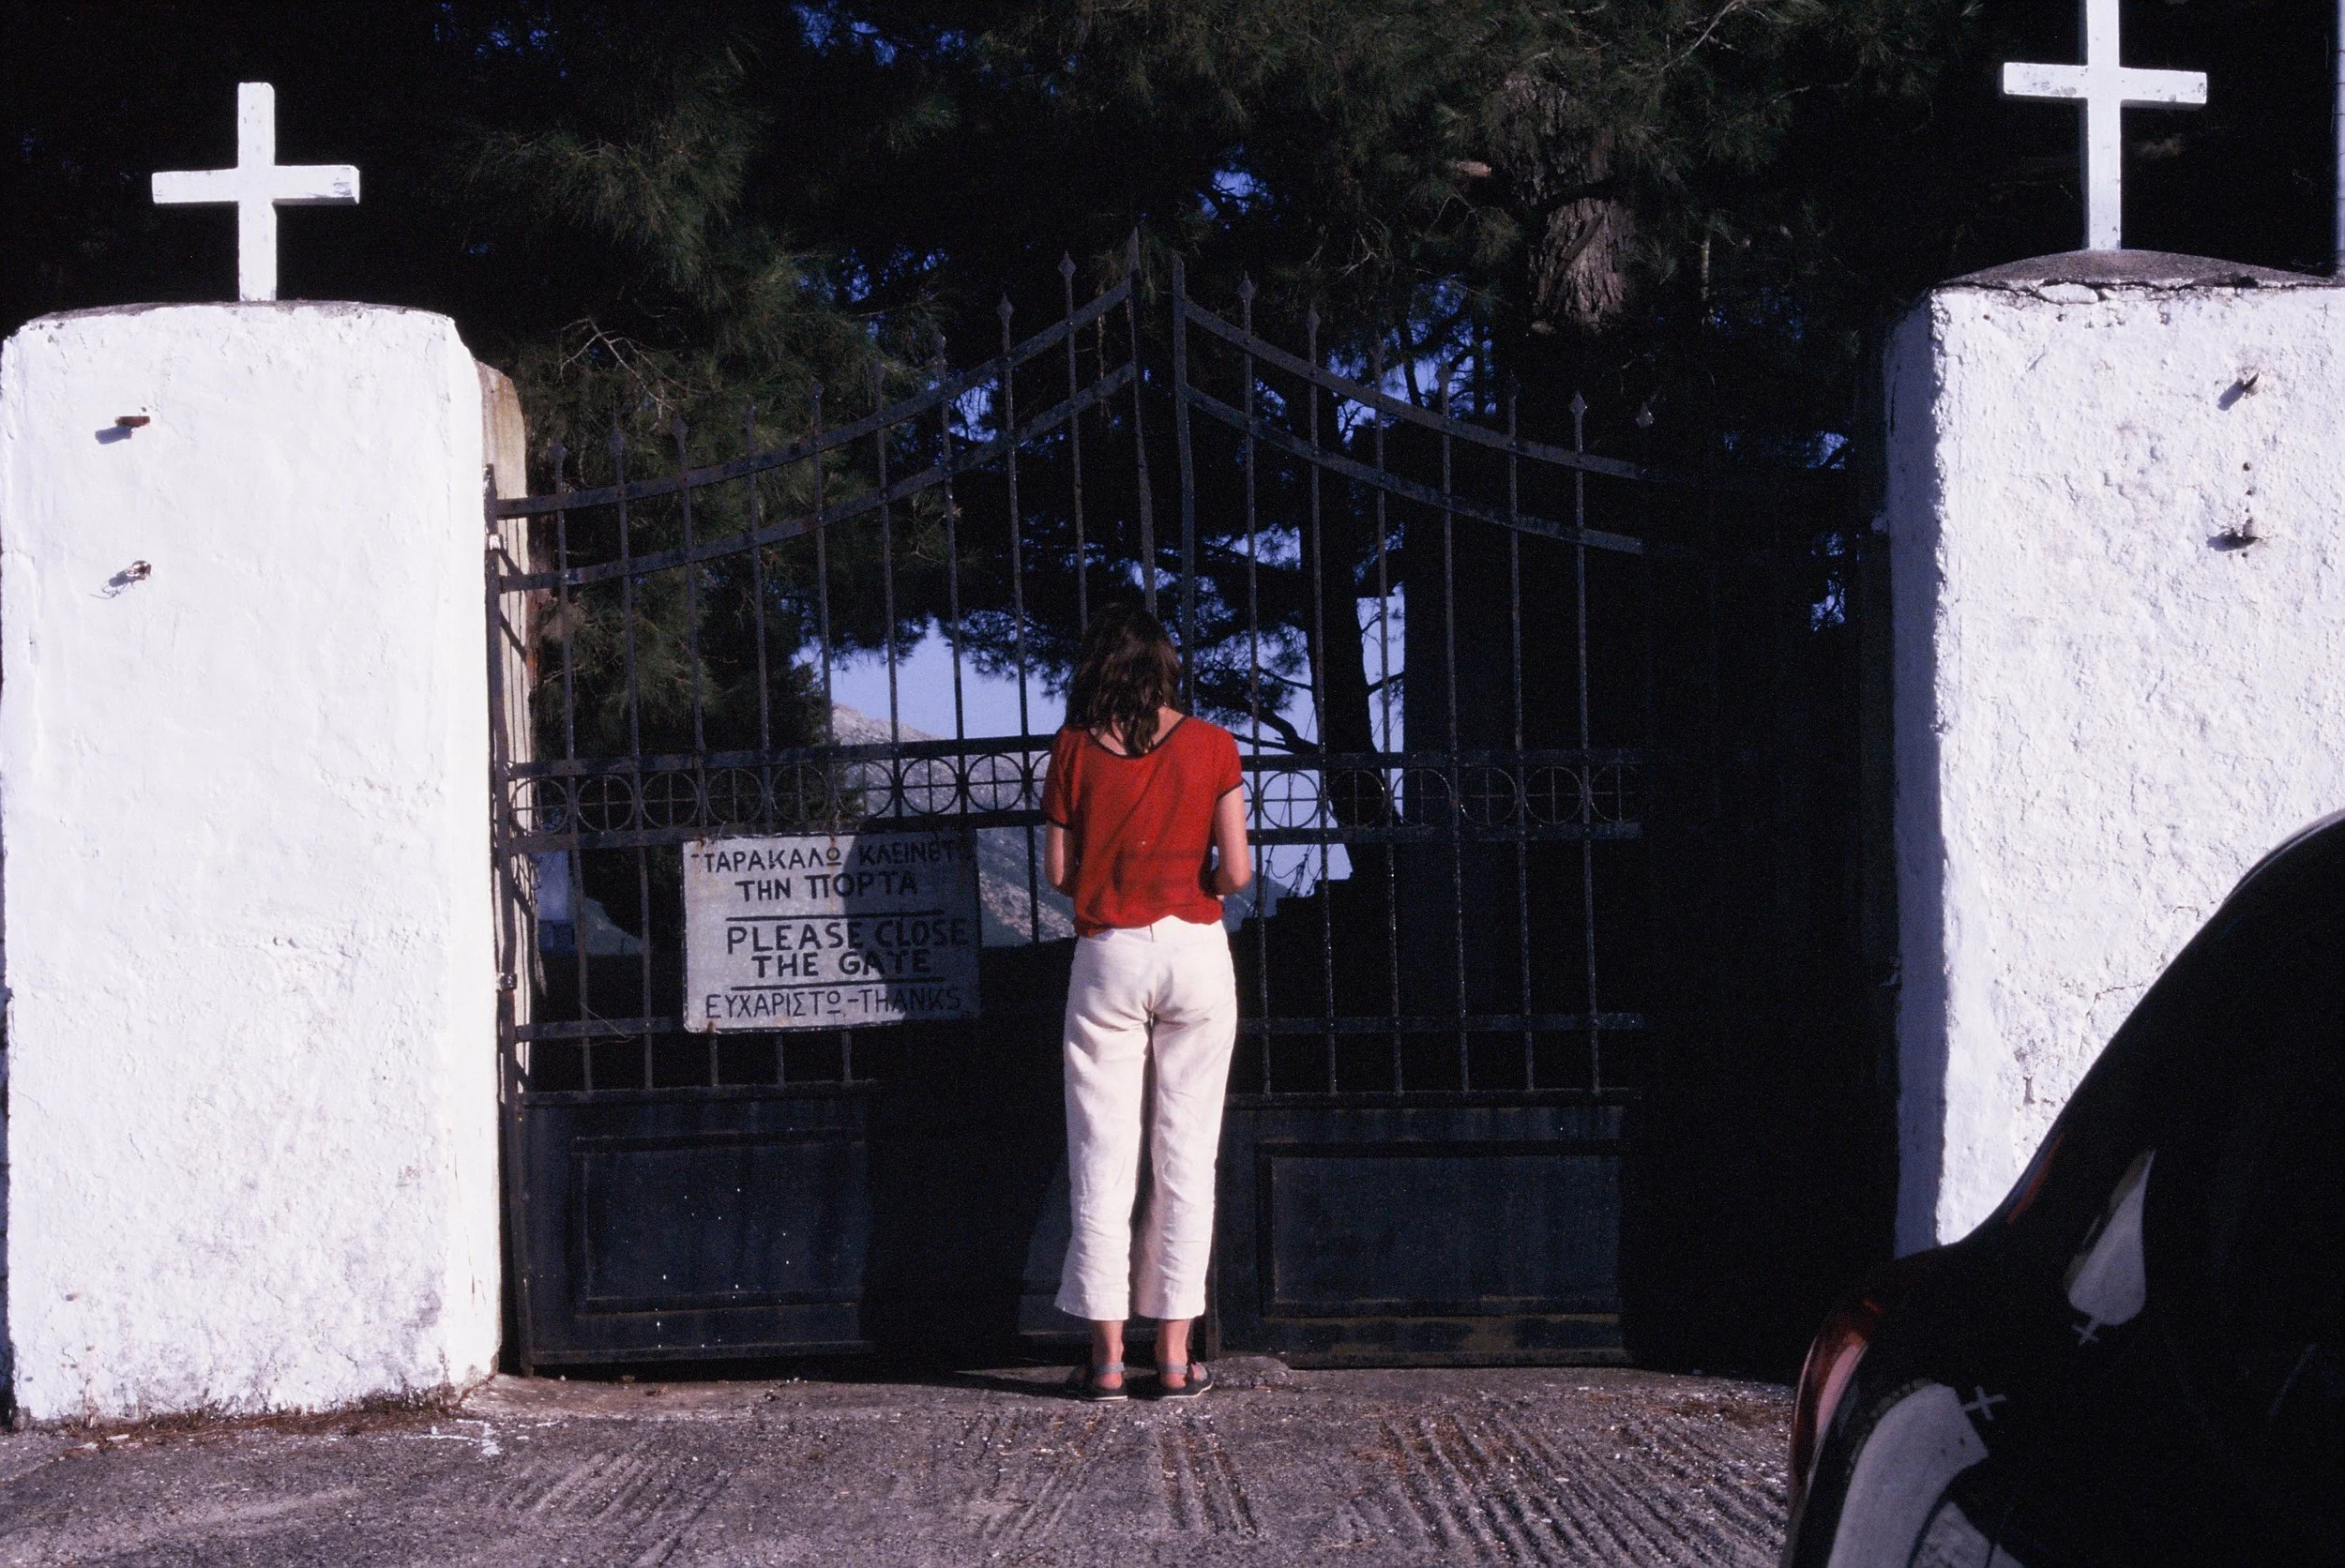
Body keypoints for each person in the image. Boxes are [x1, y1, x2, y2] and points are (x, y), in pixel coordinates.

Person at [1040, 601, 1250, 1402]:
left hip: (1110, 953)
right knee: (1186, 1151)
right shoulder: (1214, 745)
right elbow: (1237, 871)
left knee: (1102, 1150)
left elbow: (1059, 873)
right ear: (1166, 666)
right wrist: (1199, 883)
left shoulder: (1072, 749)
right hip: (1195, 948)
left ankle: (1104, 1360)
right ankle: (1172, 1356)